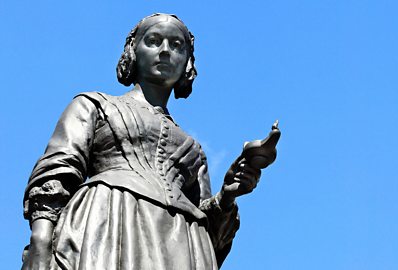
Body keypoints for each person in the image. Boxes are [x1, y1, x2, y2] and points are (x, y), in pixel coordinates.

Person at [22, 13, 261, 270]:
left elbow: (212, 243)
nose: (165, 51)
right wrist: (41, 239)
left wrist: (227, 197)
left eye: (177, 46)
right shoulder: (94, 106)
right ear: (133, 51)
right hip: (108, 223)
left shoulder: (194, 151)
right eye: (154, 41)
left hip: (181, 242)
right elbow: (56, 173)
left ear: (188, 63)